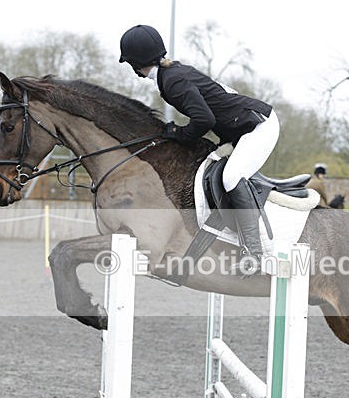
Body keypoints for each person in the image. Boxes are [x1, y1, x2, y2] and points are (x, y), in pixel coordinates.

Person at [119, 24, 278, 264]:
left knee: (231, 177)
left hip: (258, 126)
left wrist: (179, 134)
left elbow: (205, 119)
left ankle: (254, 253)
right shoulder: (170, 74)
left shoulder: (172, 80)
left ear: (135, 63)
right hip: (239, 128)